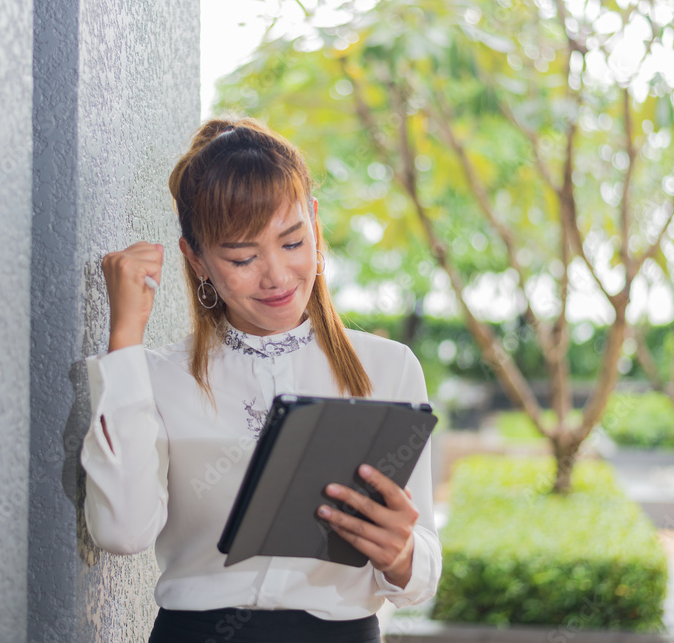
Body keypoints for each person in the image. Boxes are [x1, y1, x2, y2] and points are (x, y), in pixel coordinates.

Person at [80, 118, 441, 642]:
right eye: (243, 257)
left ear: (315, 226)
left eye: (293, 243)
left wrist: (403, 553)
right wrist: (125, 341)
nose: (275, 275)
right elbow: (121, 531)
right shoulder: (156, 376)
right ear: (197, 260)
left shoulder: (389, 368)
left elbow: (420, 570)